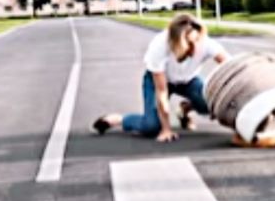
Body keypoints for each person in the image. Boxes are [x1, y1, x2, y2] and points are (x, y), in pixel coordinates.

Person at [92, 14, 229, 143]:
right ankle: (118, 120)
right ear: (177, 42)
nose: (196, 48)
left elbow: (231, 67)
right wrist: (166, 129)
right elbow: (161, 92)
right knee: (151, 127)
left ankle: (184, 110)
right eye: (190, 44)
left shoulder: (207, 43)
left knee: (215, 105)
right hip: (159, 82)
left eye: (197, 41)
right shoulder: (160, 46)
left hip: (189, 80)